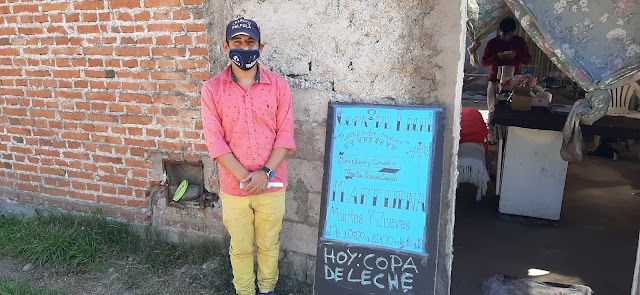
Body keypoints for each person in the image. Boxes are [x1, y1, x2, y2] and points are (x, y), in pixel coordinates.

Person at [200, 17, 296, 295]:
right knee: (240, 247)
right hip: (234, 186)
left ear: (260, 46)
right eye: (237, 42)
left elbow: (285, 135)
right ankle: (244, 291)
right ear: (225, 46)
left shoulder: (279, 87)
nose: (244, 48)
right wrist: (246, 177)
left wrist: (265, 173)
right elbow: (215, 142)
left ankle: (268, 290)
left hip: (273, 183)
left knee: (269, 244)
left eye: (250, 42)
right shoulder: (212, 90)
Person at [481, 17, 532, 143]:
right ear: (500, 31)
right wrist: (496, 57)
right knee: (493, 108)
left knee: (511, 109)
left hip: (514, 81)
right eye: (504, 34)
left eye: (509, 35)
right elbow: (484, 63)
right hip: (495, 80)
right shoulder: (492, 43)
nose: (506, 37)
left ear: (513, 32)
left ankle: (510, 137)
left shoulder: (519, 42)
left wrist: (516, 55)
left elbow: (527, 60)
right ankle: (491, 135)